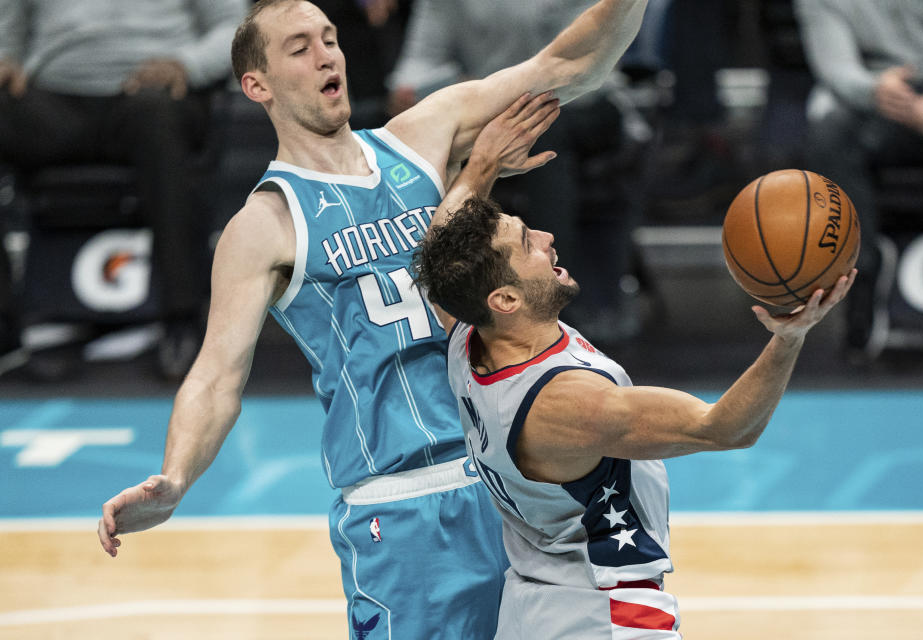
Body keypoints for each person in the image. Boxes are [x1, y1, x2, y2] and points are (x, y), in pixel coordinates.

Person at [97, 1, 651, 638]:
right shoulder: (266, 224)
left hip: (507, 478)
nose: (327, 53)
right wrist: (177, 477)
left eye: (330, 38)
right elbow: (217, 375)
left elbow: (568, 62)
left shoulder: (422, 136)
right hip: (402, 505)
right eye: (299, 47)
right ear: (258, 85)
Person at [413, 121, 855, 636]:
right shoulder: (568, 405)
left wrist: (483, 166)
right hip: (606, 615)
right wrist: (791, 336)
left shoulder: (467, 333)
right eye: (527, 243)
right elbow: (724, 428)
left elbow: (439, 252)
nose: (549, 239)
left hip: (531, 607)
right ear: (507, 300)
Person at [0, 0, 246, 379]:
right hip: (53, 94)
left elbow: (238, 29)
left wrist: (187, 64)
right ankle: (6, 328)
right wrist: (6, 57)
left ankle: (181, 319)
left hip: (154, 91)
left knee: (157, 113)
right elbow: (10, 20)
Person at [387, 0, 640, 340]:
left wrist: (486, 153)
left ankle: (557, 300)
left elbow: (572, 64)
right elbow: (416, 67)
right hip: (489, 104)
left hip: (570, 105)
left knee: (541, 125)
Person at [794, 0, 923, 359]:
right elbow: (835, 68)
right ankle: (861, 278)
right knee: (828, 137)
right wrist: (876, 90)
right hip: (876, 97)